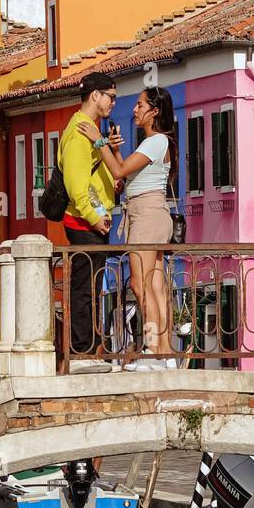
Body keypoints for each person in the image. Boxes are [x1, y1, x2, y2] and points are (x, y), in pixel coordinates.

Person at [80, 86, 178, 371]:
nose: (134, 110)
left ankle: (151, 349)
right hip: (151, 213)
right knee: (156, 285)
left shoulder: (156, 140)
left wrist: (98, 141)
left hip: (146, 215)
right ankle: (165, 352)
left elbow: (119, 172)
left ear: (154, 111)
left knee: (140, 284)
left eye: (139, 104)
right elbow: (126, 171)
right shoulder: (155, 142)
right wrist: (115, 149)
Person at [59, 71, 120, 374]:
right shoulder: (77, 134)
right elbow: (78, 187)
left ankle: (90, 349)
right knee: (84, 290)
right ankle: (81, 352)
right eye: (111, 95)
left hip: (93, 223)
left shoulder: (90, 131)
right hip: (84, 224)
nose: (113, 102)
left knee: (93, 288)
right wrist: (96, 218)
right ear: (95, 95)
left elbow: (96, 178)